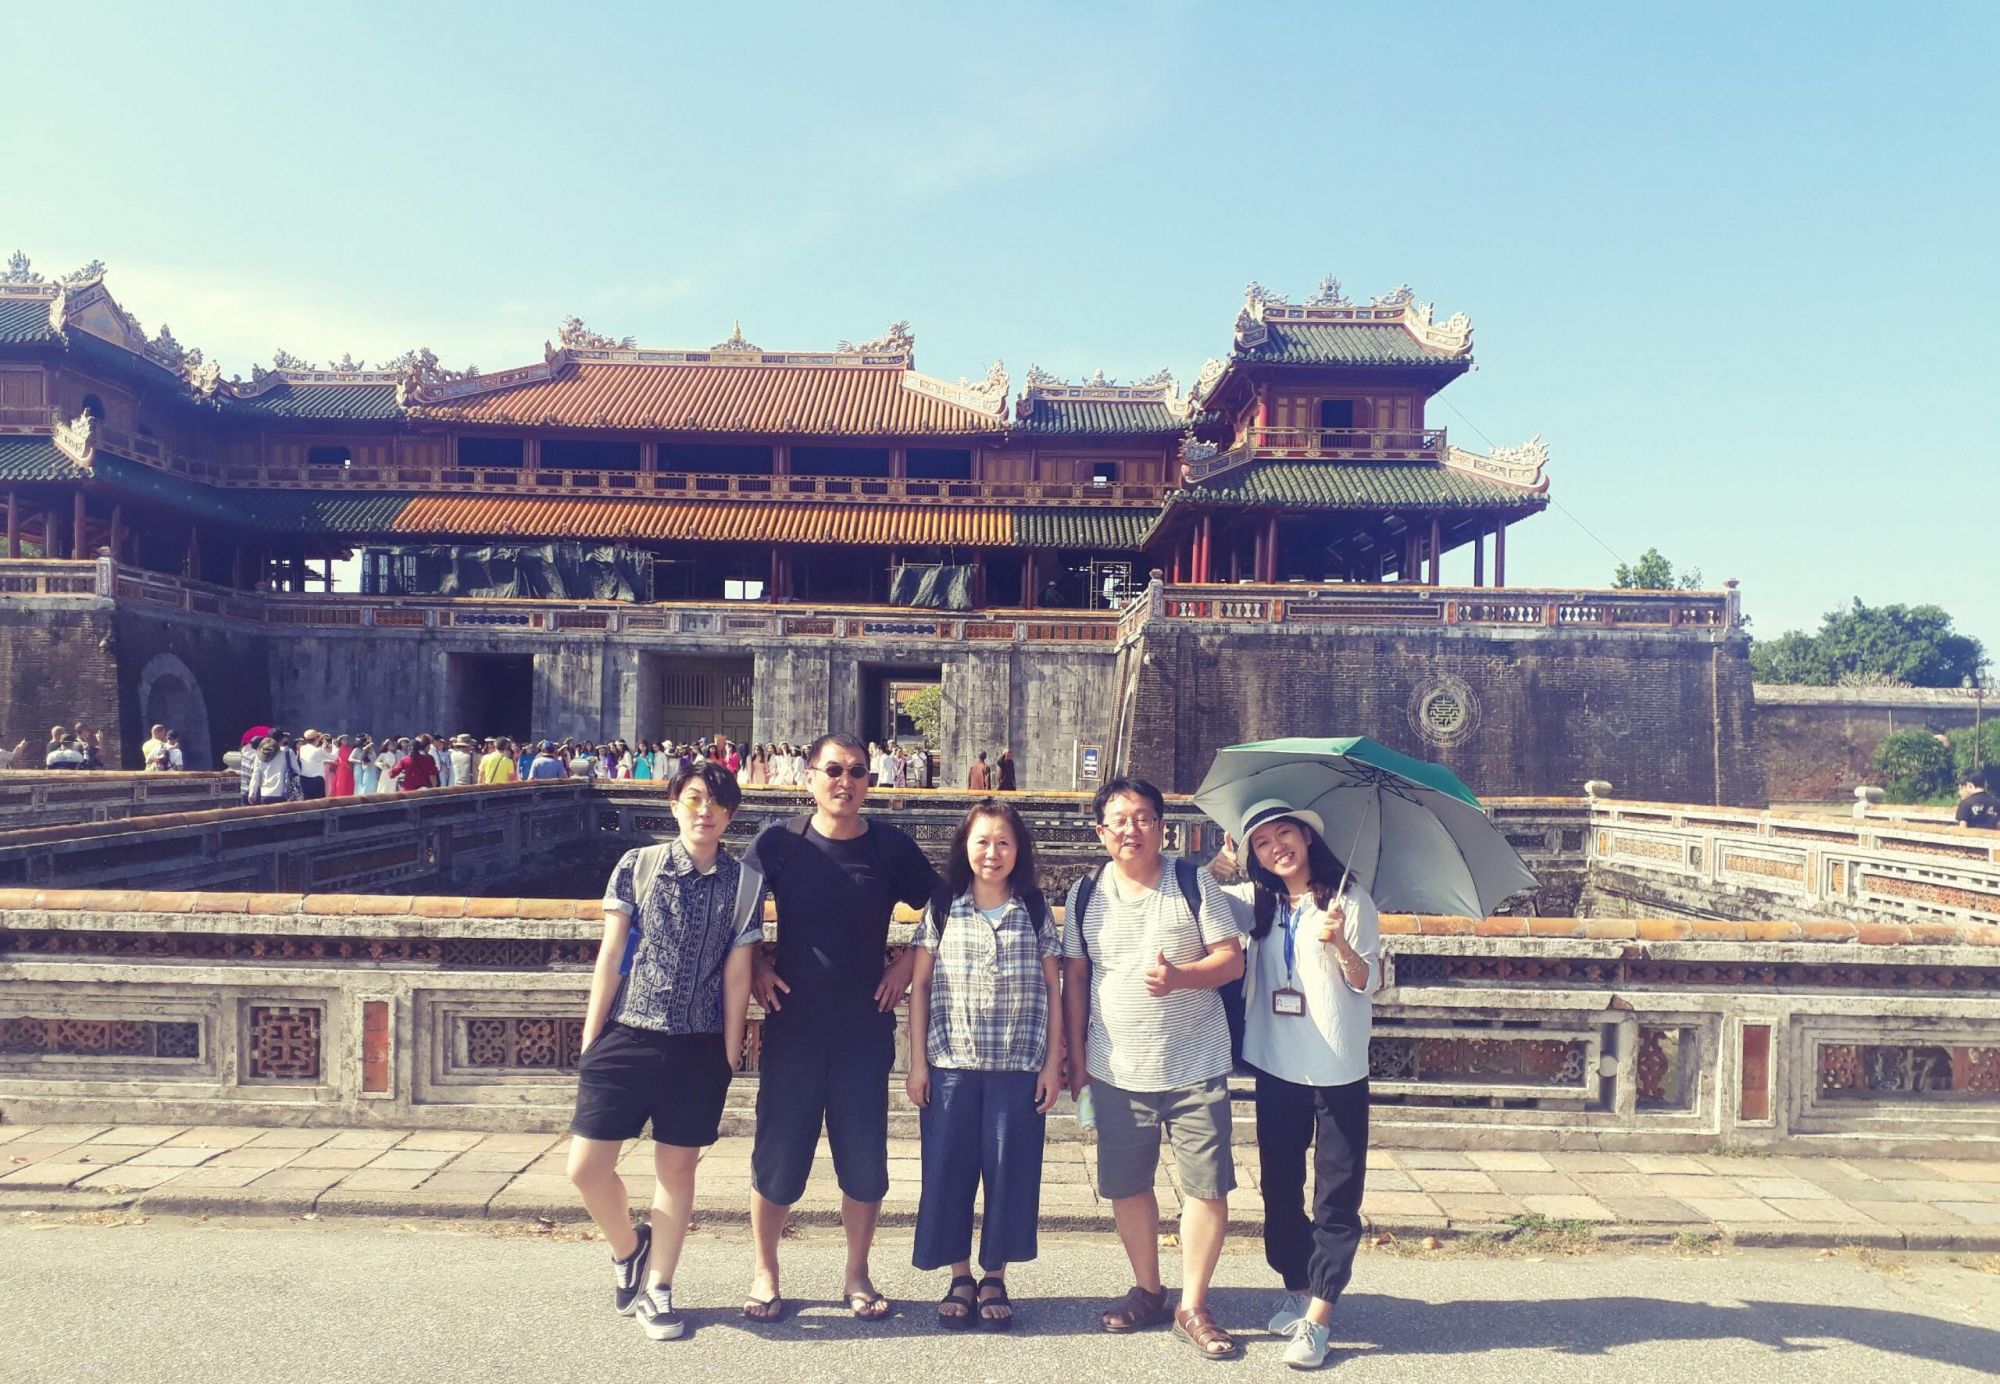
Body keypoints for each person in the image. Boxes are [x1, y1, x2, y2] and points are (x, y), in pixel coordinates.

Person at [743, 732, 941, 1324]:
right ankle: (765, 1270)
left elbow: (945, 902)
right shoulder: (779, 843)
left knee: (864, 1160)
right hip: (793, 1025)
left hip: (863, 1027)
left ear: (869, 781)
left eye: (857, 772)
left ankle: (856, 1271)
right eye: (833, 770)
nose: (846, 782)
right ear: (808, 777)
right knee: (777, 1157)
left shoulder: (889, 847)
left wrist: (908, 959)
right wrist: (754, 960)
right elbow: (738, 908)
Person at [567, 759, 761, 1342]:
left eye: (718, 803)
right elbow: (611, 952)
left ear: (730, 814)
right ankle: (629, 1248)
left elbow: (737, 972)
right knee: (585, 1168)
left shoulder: (745, 882)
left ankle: (658, 1287)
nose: (706, 812)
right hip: (630, 1031)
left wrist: (729, 1052)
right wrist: (591, 1034)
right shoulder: (640, 865)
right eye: (695, 798)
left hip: (698, 1046)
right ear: (675, 802)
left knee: (676, 1173)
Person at [1061, 776, 1245, 1360]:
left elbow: (1231, 960)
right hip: (1116, 1067)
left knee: (1206, 1185)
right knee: (1126, 1185)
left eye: (1143, 818)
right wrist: (1075, 1059)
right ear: (1101, 832)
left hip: (1195, 1062)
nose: (1131, 829)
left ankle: (1194, 1303)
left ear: (1161, 827)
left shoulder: (1192, 883)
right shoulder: (1084, 893)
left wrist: (1182, 978)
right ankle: (1148, 1288)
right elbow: (1077, 979)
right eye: (1119, 820)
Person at [1207, 800, 1379, 1370]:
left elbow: (1364, 982)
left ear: (1307, 838)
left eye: (1285, 835)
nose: (1276, 848)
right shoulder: (1256, 903)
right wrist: (1219, 864)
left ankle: (1321, 1316)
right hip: (1275, 1063)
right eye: (1261, 842)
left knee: (1336, 1193)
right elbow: (1192, 900)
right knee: (1279, 1186)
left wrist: (1340, 944)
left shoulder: (1351, 900)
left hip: (1337, 1069)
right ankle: (1298, 1288)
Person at [906, 800, 1062, 1330]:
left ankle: (994, 1274)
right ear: (964, 847)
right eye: (982, 842)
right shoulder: (944, 905)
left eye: (1003, 843)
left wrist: (1052, 1063)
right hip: (952, 1063)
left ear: (1018, 851)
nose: (991, 853)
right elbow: (921, 984)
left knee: (1009, 1171)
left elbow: (1053, 988)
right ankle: (959, 1274)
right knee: (948, 1169)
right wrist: (917, 1062)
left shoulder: (1034, 907)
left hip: (1019, 1064)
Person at [244, 735, 295, 804]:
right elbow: (296, 770)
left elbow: (255, 777)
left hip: (265, 795)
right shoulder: (286, 753)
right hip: (282, 793)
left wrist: (252, 793)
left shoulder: (258, 756)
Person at [295, 730, 328, 800]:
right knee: (319, 802)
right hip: (316, 780)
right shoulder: (318, 750)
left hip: (304, 779)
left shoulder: (302, 748)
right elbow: (334, 757)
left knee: (307, 801)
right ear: (316, 739)